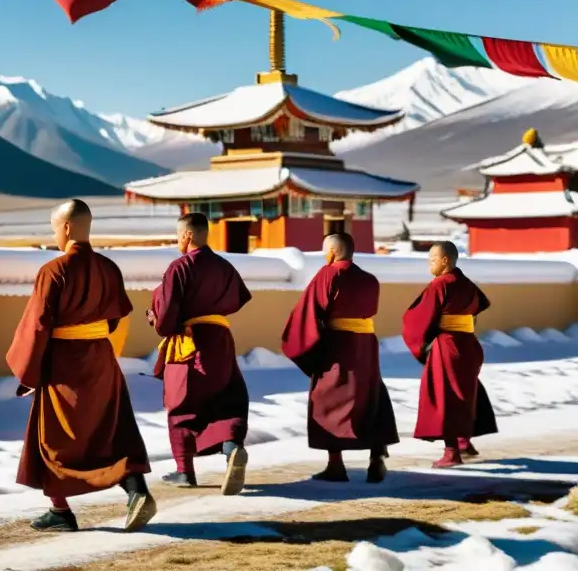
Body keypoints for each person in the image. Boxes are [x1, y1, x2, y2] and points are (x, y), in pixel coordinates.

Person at [7, 199, 156, 533]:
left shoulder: (53, 271)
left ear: (68, 227)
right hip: (102, 359)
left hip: (64, 365)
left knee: (53, 440)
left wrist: (29, 371)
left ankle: (60, 510)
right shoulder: (109, 268)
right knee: (112, 430)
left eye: (55, 228)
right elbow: (117, 318)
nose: (55, 236)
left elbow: (37, 326)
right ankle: (136, 490)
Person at [147, 212, 252, 494]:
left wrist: (156, 319)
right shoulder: (224, 266)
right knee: (227, 397)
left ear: (188, 235)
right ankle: (231, 449)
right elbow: (240, 298)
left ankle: (185, 471)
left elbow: (166, 319)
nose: (178, 241)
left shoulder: (179, 268)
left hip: (190, 342)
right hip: (220, 338)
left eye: (179, 235)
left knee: (183, 404)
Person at [281, 232, 399, 483]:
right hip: (367, 344)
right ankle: (376, 457)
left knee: (329, 398)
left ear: (332, 252)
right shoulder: (370, 280)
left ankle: (336, 465)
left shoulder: (329, 274)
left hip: (339, 345)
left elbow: (307, 312)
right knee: (369, 394)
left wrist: (302, 345)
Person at [402, 240, 498, 468]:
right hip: (469, 345)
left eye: (433, 260)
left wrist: (424, 342)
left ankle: (451, 452)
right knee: (463, 393)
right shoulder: (467, 284)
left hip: (448, 346)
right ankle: (464, 442)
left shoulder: (439, 285)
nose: (430, 265)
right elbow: (476, 309)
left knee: (445, 397)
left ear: (445, 260)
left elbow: (417, 319)